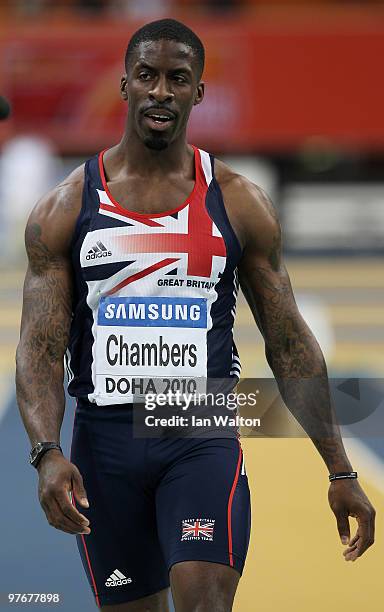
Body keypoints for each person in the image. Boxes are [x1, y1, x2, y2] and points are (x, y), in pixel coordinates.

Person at [16, 18, 375, 612]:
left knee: (205, 599)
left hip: (200, 432)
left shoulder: (237, 202)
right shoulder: (64, 208)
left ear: (198, 92)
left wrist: (339, 470)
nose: (161, 91)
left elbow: (289, 344)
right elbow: (38, 347)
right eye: (147, 76)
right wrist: (46, 452)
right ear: (125, 84)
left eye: (177, 79)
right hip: (106, 442)